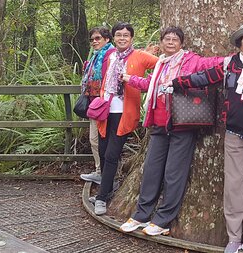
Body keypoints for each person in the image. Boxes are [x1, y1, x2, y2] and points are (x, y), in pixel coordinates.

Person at [170, 23, 243, 253]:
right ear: (239, 44)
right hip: (233, 134)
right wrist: (176, 82)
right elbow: (203, 78)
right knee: (233, 186)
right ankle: (234, 238)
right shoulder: (228, 65)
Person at [118, 26, 223, 236]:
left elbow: (212, 64)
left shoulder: (190, 60)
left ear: (181, 43)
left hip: (182, 124)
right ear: (162, 42)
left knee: (174, 173)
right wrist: (130, 79)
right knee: (151, 170)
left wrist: (237, 58)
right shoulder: (161, 64)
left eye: (175, 39)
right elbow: (152, 84)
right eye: (167, 39)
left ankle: (163, 219)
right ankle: (141, 214)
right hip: (159, 123)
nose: (171, 42)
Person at [93, 22, 158, 216]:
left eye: (126, 35)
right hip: (105, 111)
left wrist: (143, 83)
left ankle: (101, 198)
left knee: (112, 154)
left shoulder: (139, 56)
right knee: (104, 152)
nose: (122, 38)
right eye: (119, 35)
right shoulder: (110, 55)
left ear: (131, 38)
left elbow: (162, 67)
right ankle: (107, 188)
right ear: (114, 38)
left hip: (124, 112)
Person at [79, 26, 115, 184]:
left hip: (106, 104)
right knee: (95, 139)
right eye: (92, 39)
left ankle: (106, 174)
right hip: (95, 103)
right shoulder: (96, 56)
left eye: (98, 38)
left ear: (107, 39)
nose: (94, 42)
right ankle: (101, 171)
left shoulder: (111, 54)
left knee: (103, 139)